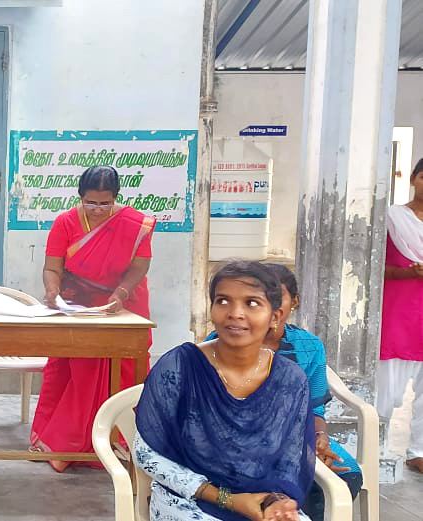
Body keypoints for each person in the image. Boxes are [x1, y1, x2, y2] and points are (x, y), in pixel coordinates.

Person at [135, 261, 315, 521]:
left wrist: (276, 502)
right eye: (223, 301)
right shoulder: (181, 366)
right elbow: (146, 454)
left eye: (251, 303)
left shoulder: (290, 378)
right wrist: (226, 499)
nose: (235, 313)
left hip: (260, 501)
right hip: (189, 501)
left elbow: (290, 459)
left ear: (274, 317)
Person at [205, 264, 362, 521]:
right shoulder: (220, 343)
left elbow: (313, 407)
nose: (239, 313)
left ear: (290, 304)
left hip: (301, 434)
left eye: (276, 297)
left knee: (345, 474)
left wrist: (319, 439)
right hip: (240, 441)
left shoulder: (308, 347)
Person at [30, 165, 155, 471]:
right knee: (75, 369)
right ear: (80, 197)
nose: (98, 210)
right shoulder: (65, 222)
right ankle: (65, 444)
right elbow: (52, 267)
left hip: (122, 302)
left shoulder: (134, 223)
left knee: (125, 369)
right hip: (77, 303)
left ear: (116, 198)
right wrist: (52, 291)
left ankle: (119, 441)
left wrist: (121, 294)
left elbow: (139, 267)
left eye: (105, 203)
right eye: (91, 203)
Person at [377, 158, 423, 474]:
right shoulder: (392, 218)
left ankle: (419, 452)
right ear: (414, 179)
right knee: (386, 388)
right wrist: (407, 274)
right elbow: (369, 266)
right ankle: (371, 449)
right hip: (399, 311)